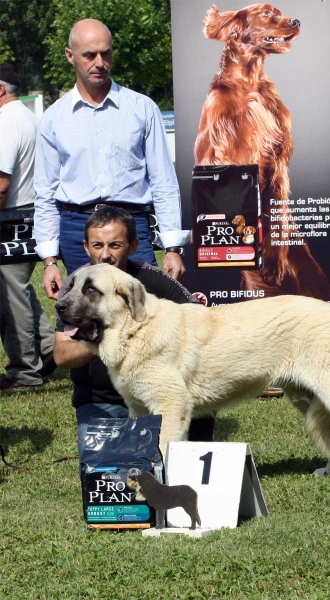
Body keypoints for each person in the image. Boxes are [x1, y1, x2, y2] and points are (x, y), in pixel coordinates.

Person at [34, 18, 189, 301]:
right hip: (76, 227)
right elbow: (45, 194)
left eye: (105, 53)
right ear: (70, 56)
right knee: (85, 317)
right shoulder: (53, 119)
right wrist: (49, 260)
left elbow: (163, 180)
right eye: (89, 55)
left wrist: (173, 247)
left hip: (131, 224)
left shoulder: (142, 108)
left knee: (141, 313)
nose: (99, 62)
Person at [54, 206, 215, 457]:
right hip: (102, 401)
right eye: (97, 246)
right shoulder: (74, 286)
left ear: (133, 245)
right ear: (86, 247)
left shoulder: (151, 281)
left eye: (115, 245)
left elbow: (204, 326)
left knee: (187, 447)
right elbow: (61, 355)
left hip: (161, 392)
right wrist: (100, 341)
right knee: (109, 475)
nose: (105, 255)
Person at [0, 63, 55, 390]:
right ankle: (48, 350)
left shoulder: (6, 122)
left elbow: (1, 183)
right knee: (19, 291)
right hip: (33, 214)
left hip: (11, 217)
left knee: (9, 296)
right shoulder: (30, 118)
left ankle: (24, 372)